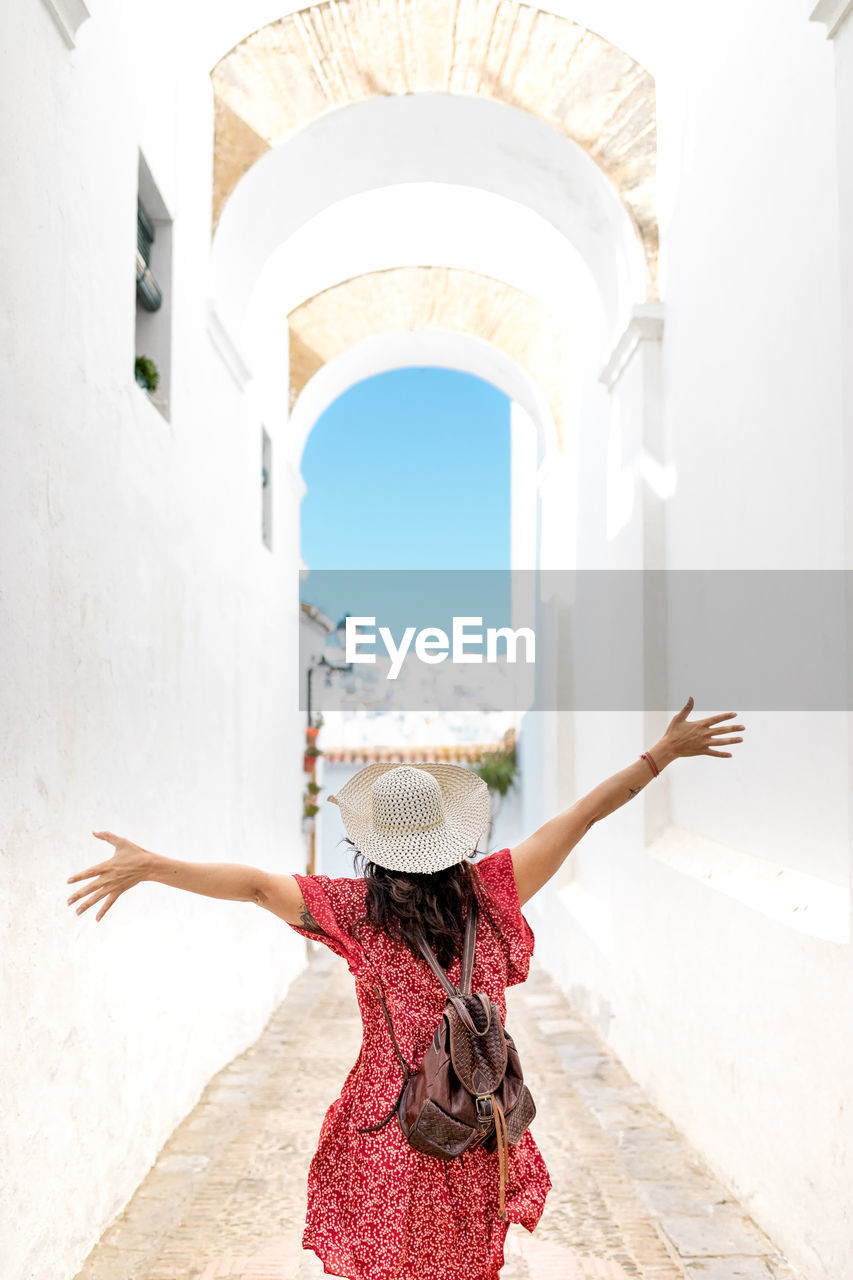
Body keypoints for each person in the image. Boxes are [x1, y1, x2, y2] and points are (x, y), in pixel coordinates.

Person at [66, 696, 744, 1280]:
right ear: (451, 836)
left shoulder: (353, 912)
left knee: (392, 1258)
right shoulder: (495, 891)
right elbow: (583, 815)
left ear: (372, 846)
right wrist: (660, 756)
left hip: (397, 1123)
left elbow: (250, 885)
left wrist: (153, 867)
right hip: (476, 1123)